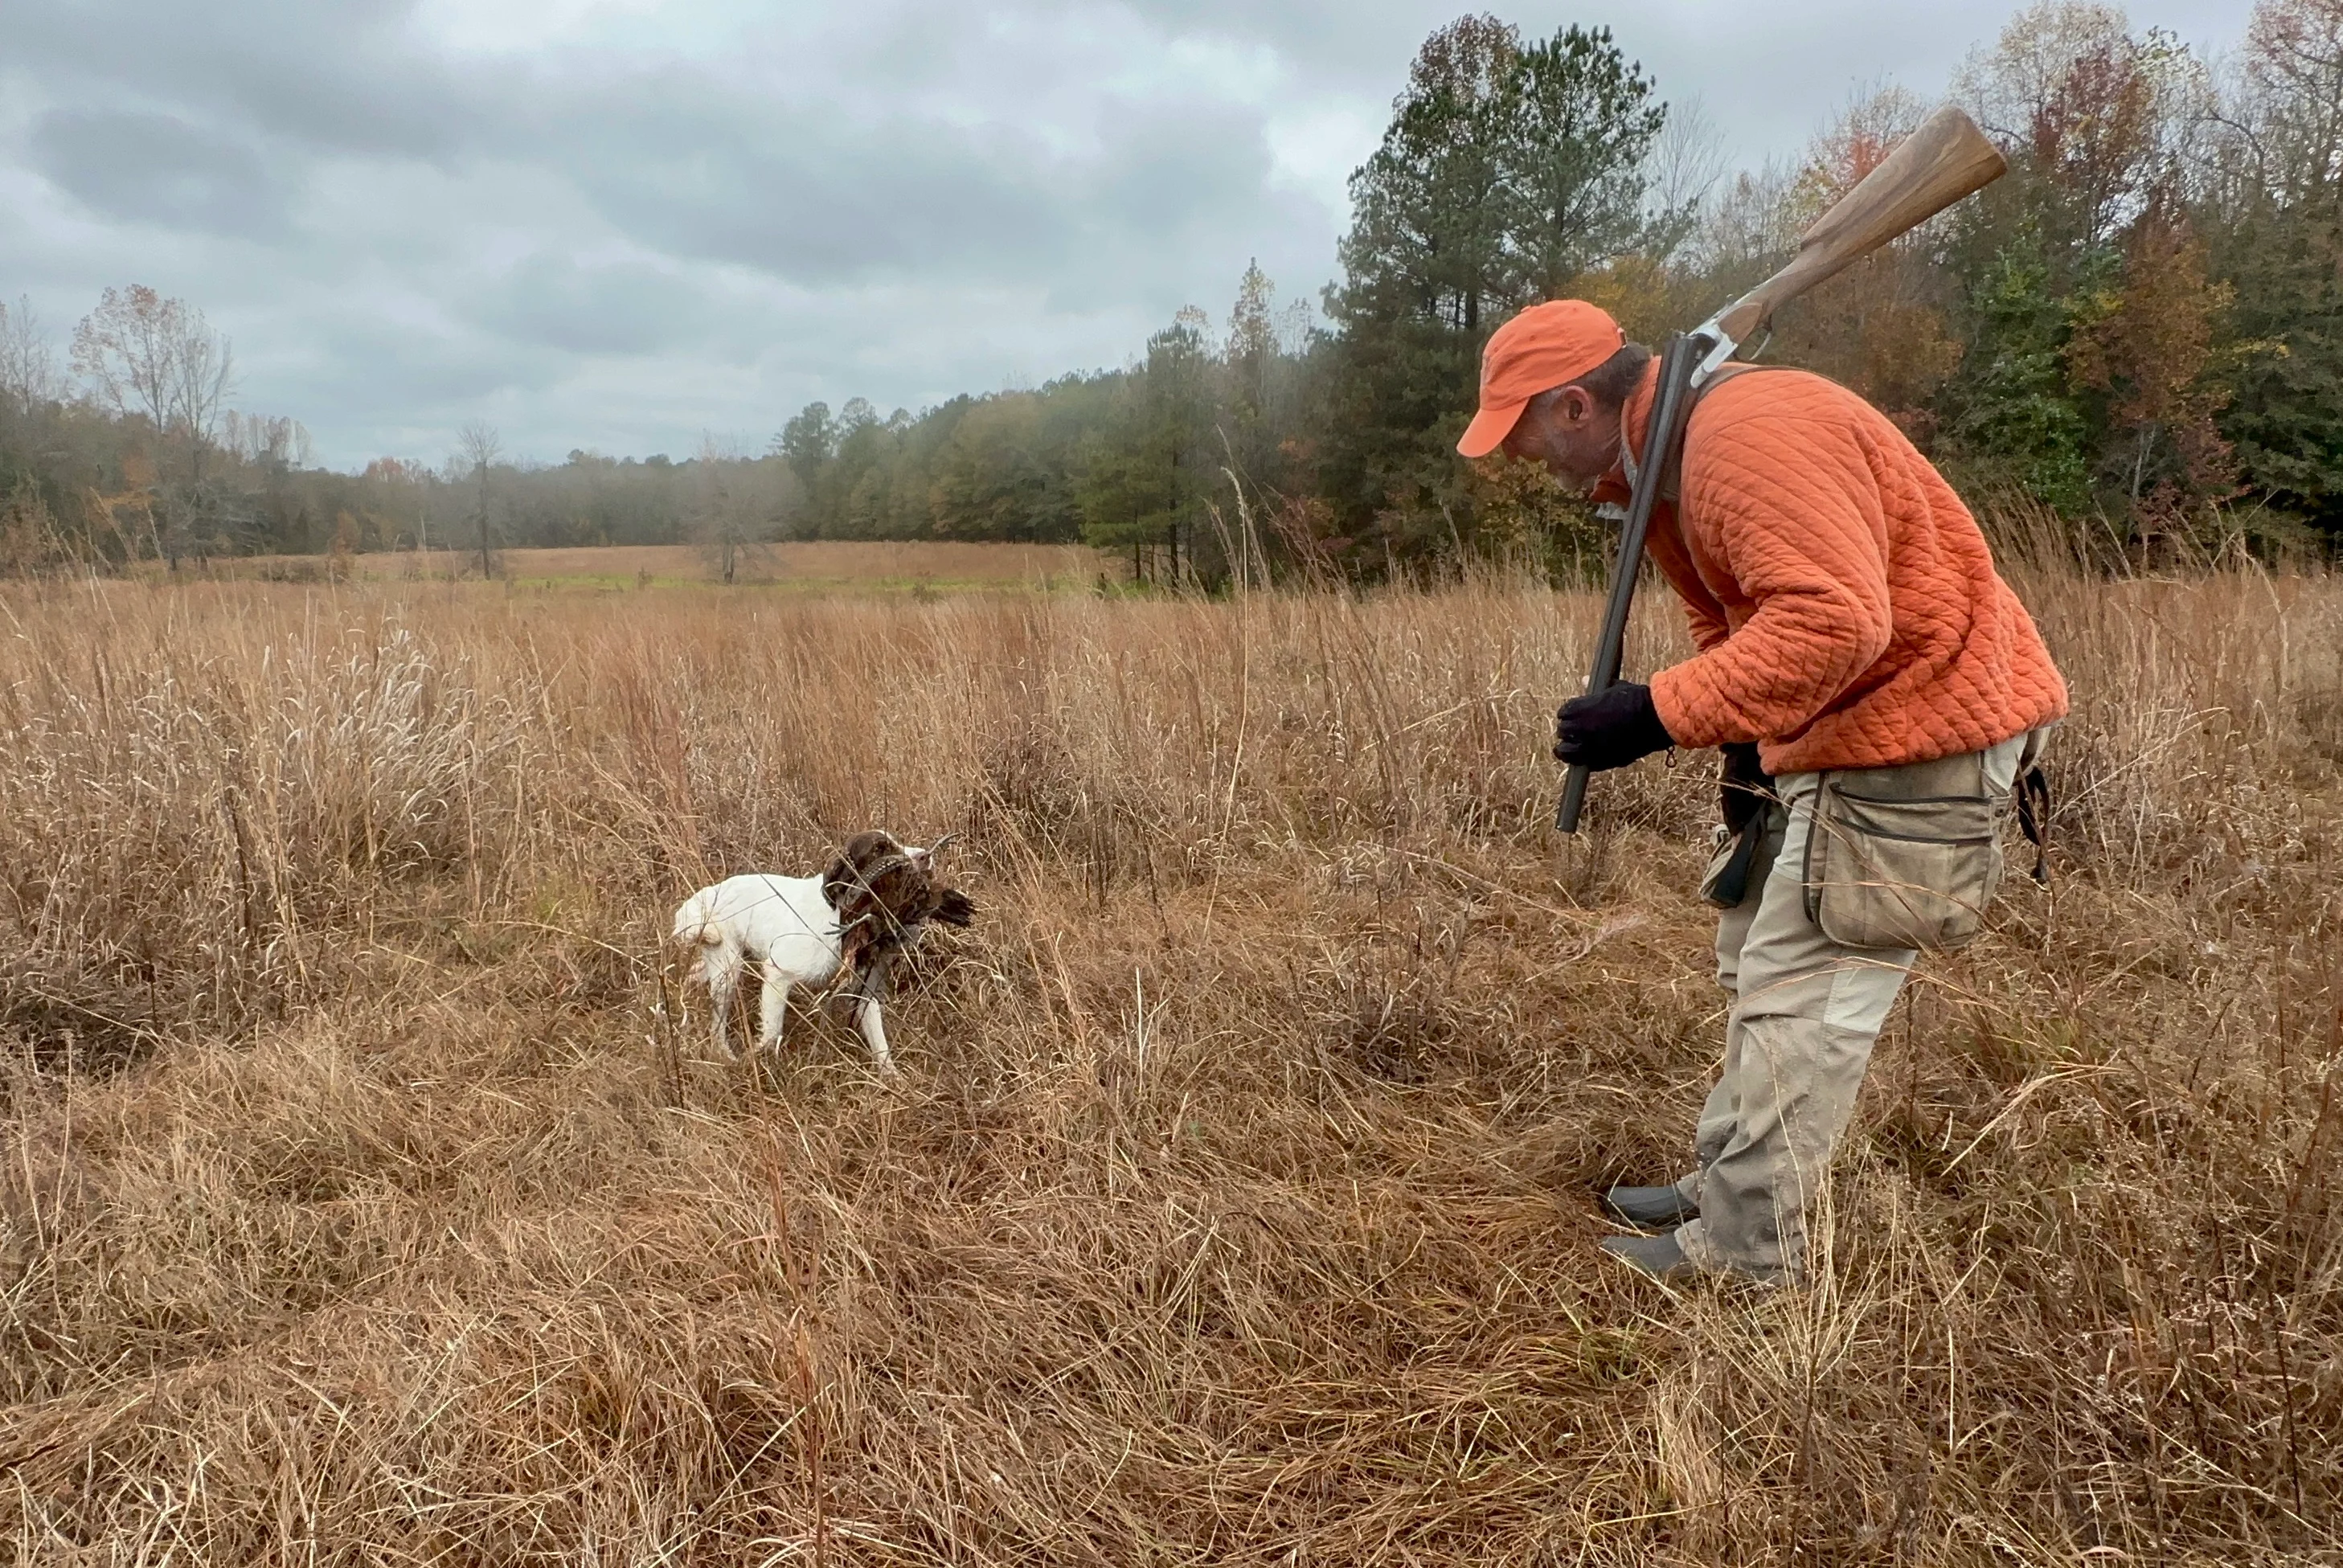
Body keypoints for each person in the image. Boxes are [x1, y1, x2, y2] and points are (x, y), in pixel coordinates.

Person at [1459, 300, 2068, 1285]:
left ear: (1573, 404)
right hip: (1839, 729)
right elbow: (1739, 621)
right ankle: (1724, 1190)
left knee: (1803, 996)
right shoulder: (1666, 462)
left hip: (1915, 730)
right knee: (1755, 961)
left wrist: (1654, 714)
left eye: (1525, 440)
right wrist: (1741, 749)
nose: (1527, 464)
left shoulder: (1743, 437)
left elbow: (1832, 625)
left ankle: (1745, 1258)